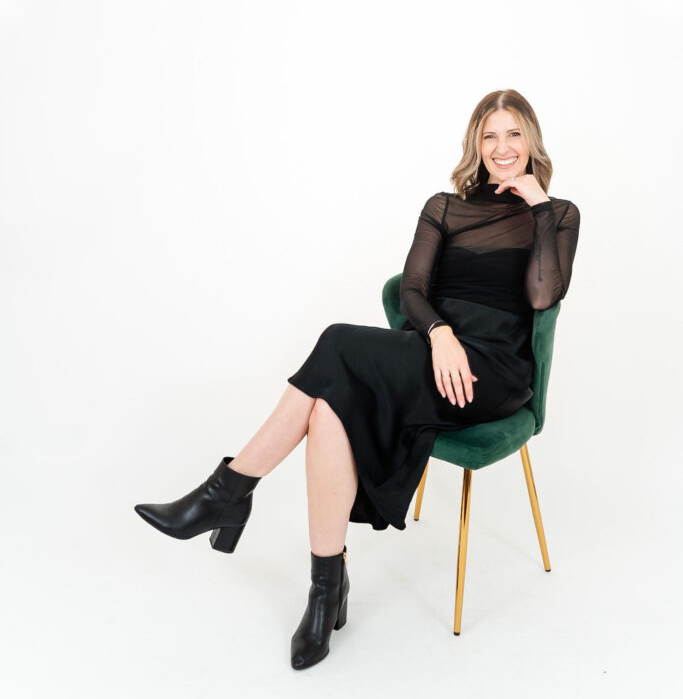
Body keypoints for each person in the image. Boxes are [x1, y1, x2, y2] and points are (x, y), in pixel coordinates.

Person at [134, 88, 580, 670]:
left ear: (531, 141)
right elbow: (413, 290)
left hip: (492, 373)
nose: (501, 147)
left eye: (514, 134)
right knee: (326, 409)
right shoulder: (443, 207)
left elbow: (545, 293)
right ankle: (325, 588)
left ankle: (229, 493)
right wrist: (440, 335)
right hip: (433, 355)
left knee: (339, 342)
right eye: (490, 135)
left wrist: (538, 202)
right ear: (475, 143)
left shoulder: (559, 214)